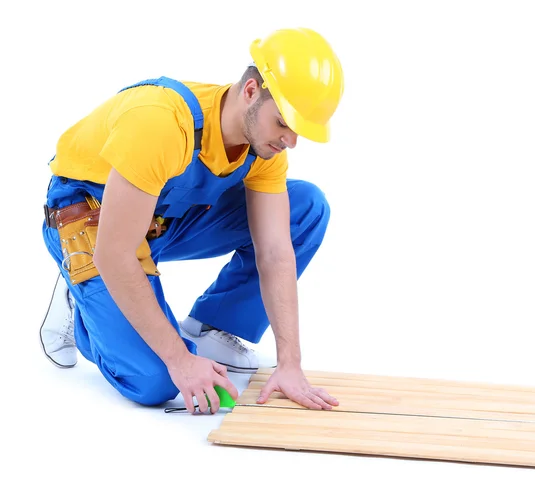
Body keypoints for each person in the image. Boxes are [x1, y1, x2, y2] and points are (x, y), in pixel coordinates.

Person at [39, 27, 344, 415]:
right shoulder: (160, 123)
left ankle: (211, 327)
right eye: (283, 123)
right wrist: (180, 360)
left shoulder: (265, 148)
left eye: (298, 131)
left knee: (305, 208)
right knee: (156, 380)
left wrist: (290, 364)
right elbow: (115, 254)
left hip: (161, 221)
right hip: (93, 219)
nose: (290, 141)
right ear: (251, 91)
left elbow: (275, 251)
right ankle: (84, 307)